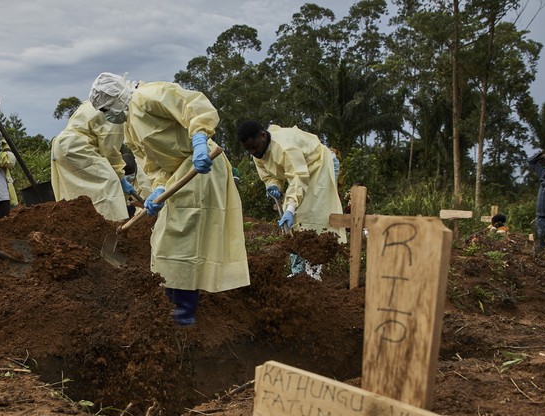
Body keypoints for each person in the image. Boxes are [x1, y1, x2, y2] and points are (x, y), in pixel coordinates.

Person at [89, 72, 250, 326]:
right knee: (166, 236)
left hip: (200, 166)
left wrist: (199, 140)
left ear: (116, 97)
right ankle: (171, 300)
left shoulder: (147, 96)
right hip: (178, 176)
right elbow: (152, 166)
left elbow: (192, 104)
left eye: (106, 109)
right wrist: (158, 189)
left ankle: (184, 310)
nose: (107, 116)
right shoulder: (129, 126)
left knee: (183, 235)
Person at [237, 120, 346, 280]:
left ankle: (313, 271)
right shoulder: (257, 154)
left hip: (319, 164)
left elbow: (298, 178)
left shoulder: (285, 147)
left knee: (313, 215)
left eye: (254, 147)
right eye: (249, 150)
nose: (253, 152)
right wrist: (273, 186)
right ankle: (298, 271)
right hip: (301, 172)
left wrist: (289, 209)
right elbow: (269, 176)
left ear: (262, 135)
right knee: (295, 221)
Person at [50, 100, 136, 221]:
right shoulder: (116, 114)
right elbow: (110, 151)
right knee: (109, 183)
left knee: (81, 193)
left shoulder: (98, 102)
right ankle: (112, 225)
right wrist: (120, 177)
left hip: (64, 146)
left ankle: (85, 223)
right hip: (77, 148)